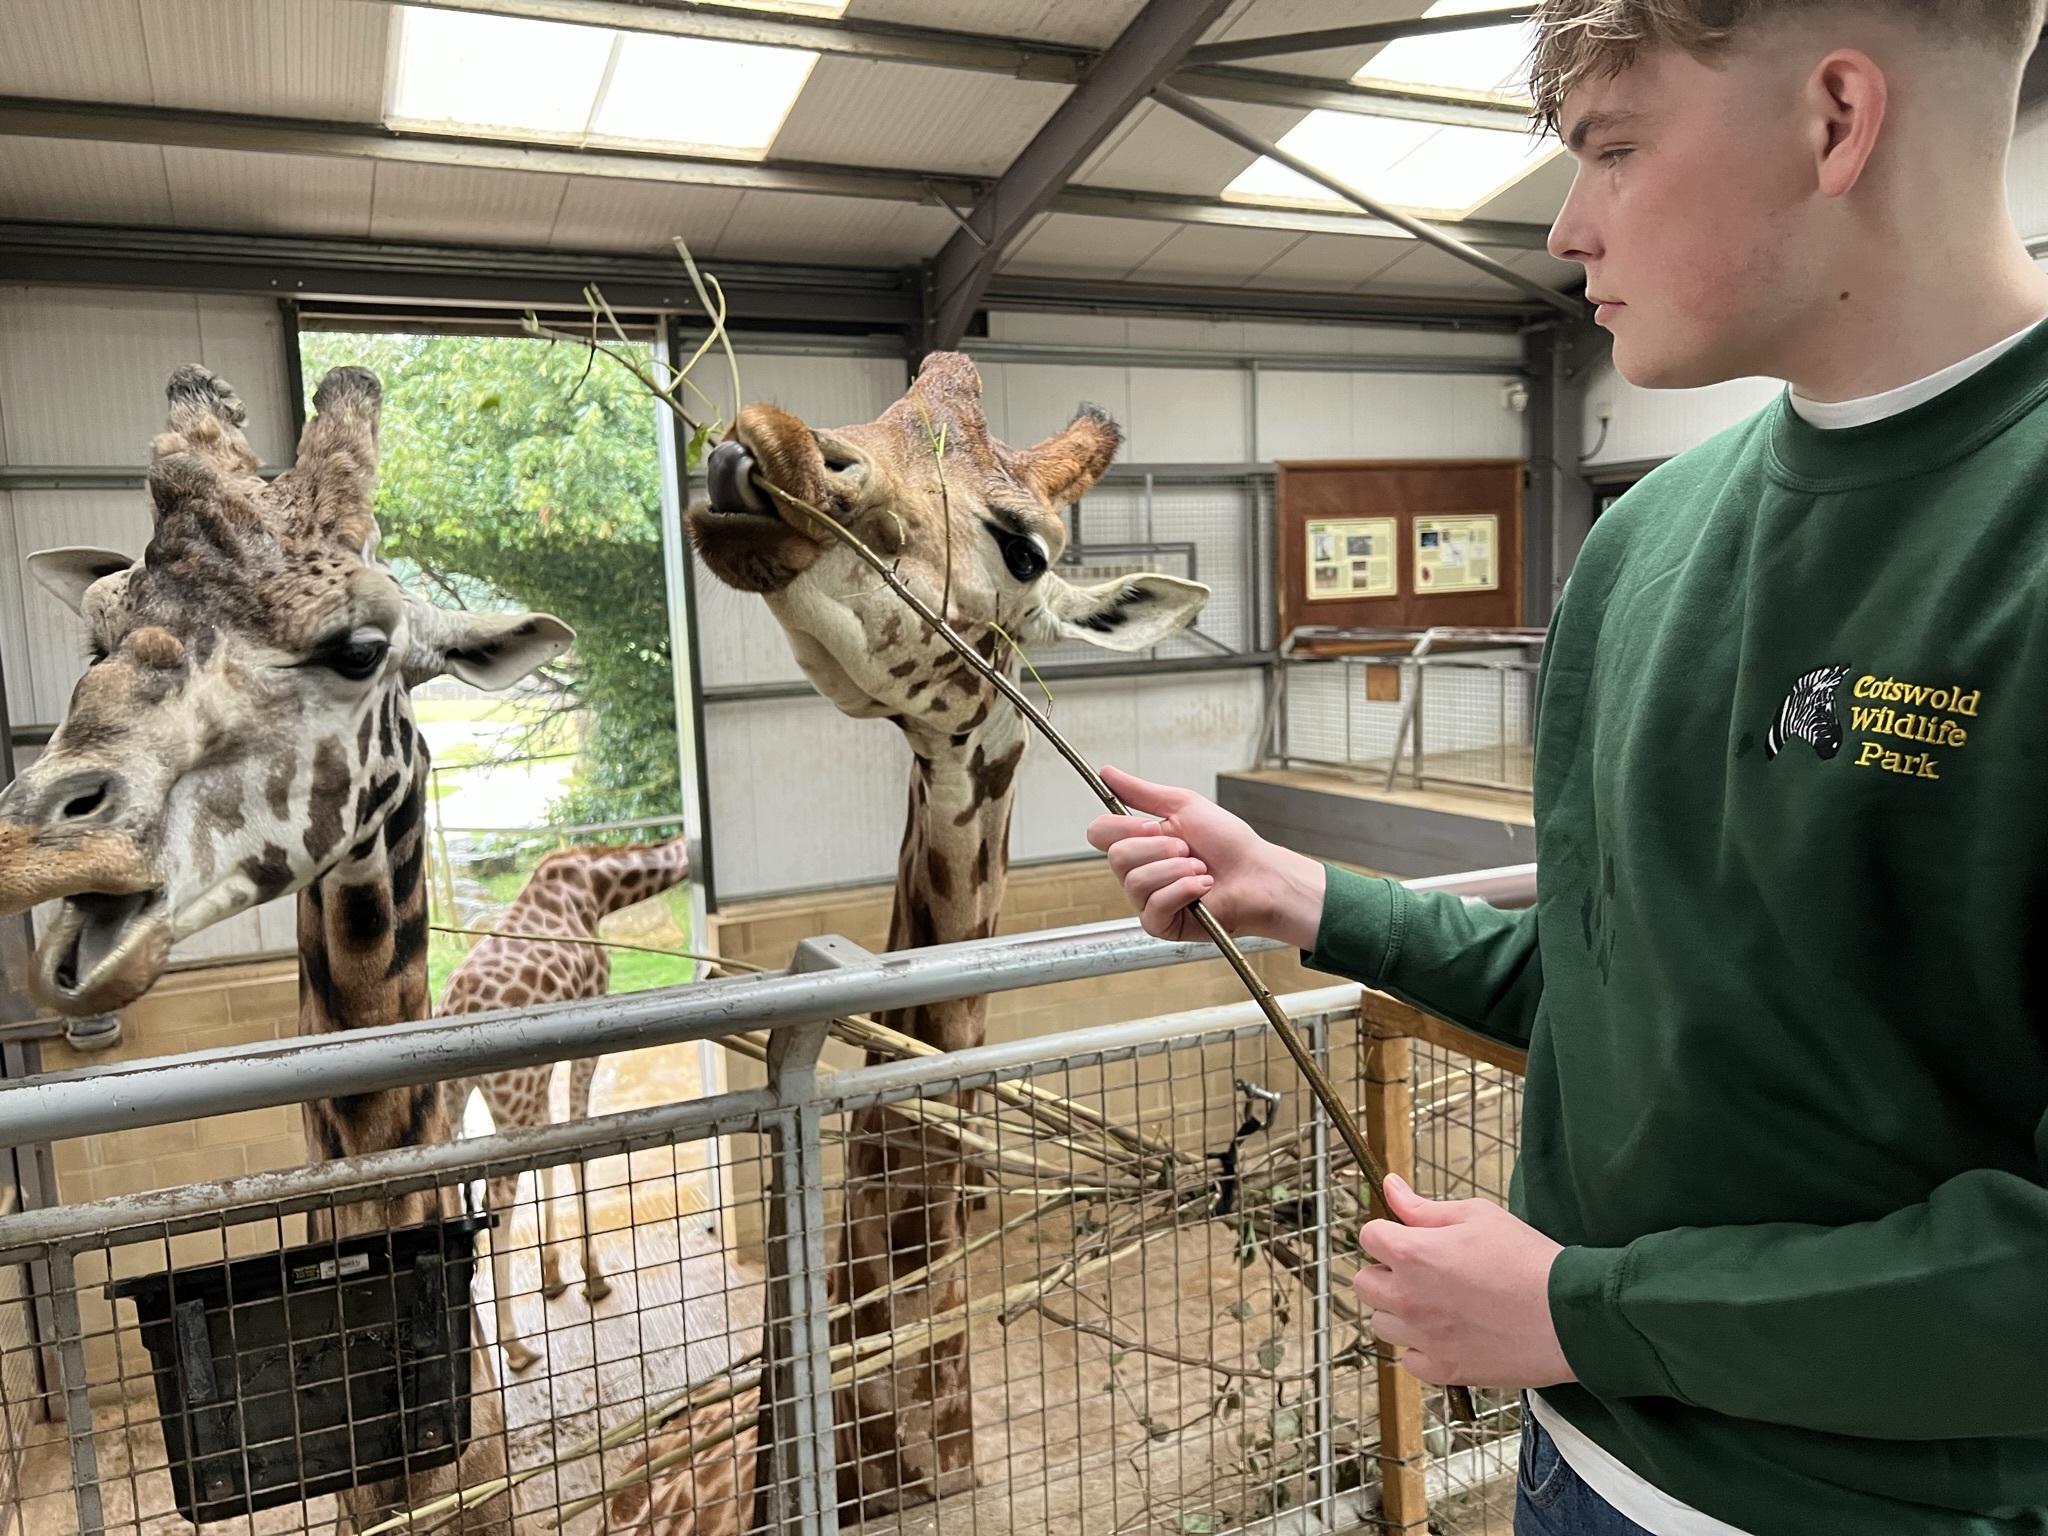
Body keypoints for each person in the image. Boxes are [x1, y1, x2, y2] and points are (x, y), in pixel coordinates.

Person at [1088, 2, 2048, 1532]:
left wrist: (1581, 1310)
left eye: (1613, 148)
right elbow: (1616, 991)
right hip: (1574, 1465)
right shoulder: (1644, 546)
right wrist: (1304, 896)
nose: (1567, 225)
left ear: (1835, 121)